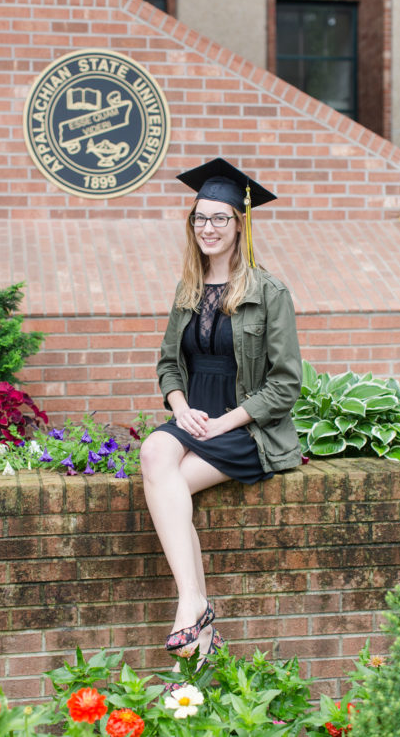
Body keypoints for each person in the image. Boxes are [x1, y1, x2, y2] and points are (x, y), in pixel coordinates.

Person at [139, 158, 302, 663]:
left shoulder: (268, 292)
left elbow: (285, 384)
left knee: (172, 487)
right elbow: (169, 364)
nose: (208, 228)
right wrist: (181, 407)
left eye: (220, 219)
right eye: (200, 218)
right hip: (196, 416)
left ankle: (192, 609)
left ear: (240, 224)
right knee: (153, 451)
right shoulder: (188, 289)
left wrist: (224, 422)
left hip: (247, 427)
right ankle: (198, 608)